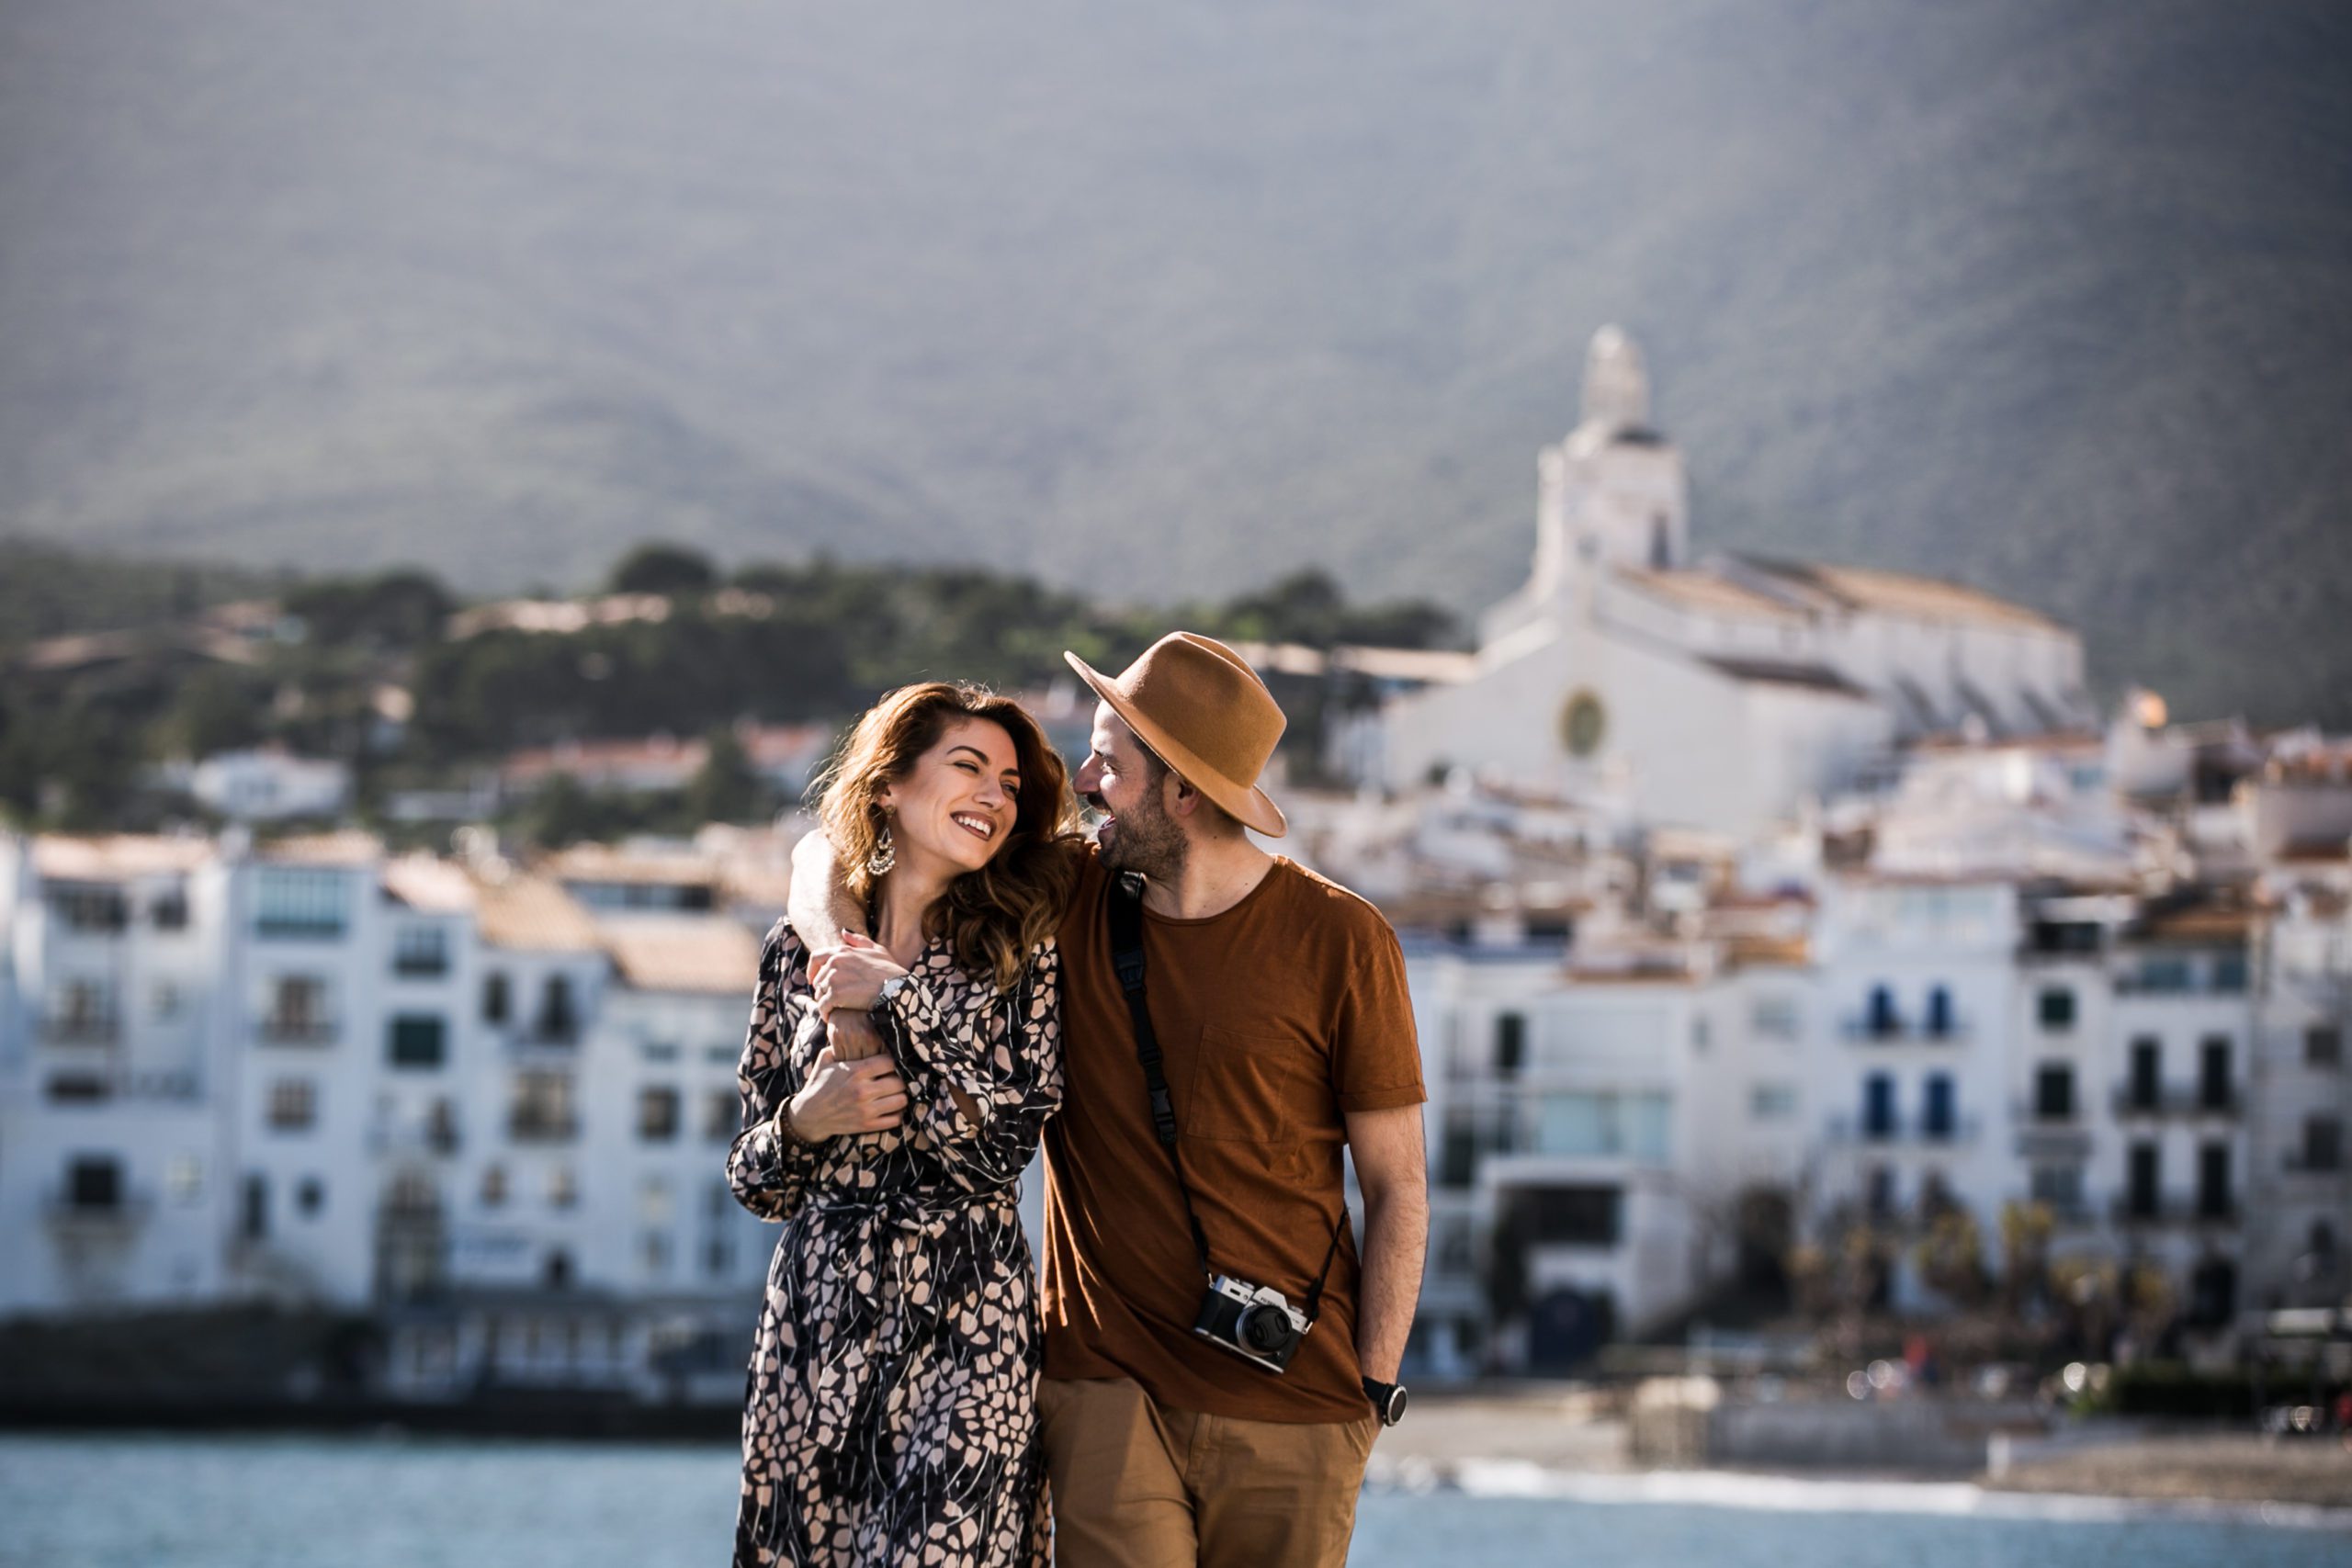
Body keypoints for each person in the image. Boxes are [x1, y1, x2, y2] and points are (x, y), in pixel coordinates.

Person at [794, 632, 1430, 1568]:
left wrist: (1372, 1392)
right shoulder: (1069, 893)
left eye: (1109, 760)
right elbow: (827, 849)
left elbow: (1398, 1187)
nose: (1083, 779)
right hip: (1104, 1387)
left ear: (1182, 791)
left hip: (1295, 1399)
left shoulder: (1340, 938)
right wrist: (835, 956)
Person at [726, 682, 1083, 1568]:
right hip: (820, 1315)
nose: (995, 796)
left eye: (1009, 783)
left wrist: (894, 999)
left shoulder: (1020, 948)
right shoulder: (795, 947)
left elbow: (1006, 1139)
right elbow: (752, 1178)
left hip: (969, 1313)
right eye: (969, 767)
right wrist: (806, 1122)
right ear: (888, 783)